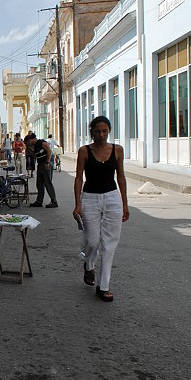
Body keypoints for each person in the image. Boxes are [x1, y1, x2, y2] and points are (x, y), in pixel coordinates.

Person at [73, 116, 129, 302]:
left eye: (105, 131)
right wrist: (78, 204)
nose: (101, 135)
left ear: (109, 131)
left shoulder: (117, 150)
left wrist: (125, 203)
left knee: (109, 244)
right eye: (97, 131)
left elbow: (121, 176)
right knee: (92, 241)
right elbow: (79, 178)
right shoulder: (84, 151)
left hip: (112, 198)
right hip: (90, 198)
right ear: (92, 133)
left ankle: (103, 286)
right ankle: (89, 265)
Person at [25, 133, 58, 208]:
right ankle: (39, 201)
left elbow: (49, 150)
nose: (28, 144)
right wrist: (29, 149)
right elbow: (35, 155)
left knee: (47, 183)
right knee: (39, 184)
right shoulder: (35, 146)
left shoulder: (41, 143)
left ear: (30, 140)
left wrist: (48, 161)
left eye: (28, 142)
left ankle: (54, 201)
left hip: (45, 164)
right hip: (40, 165)